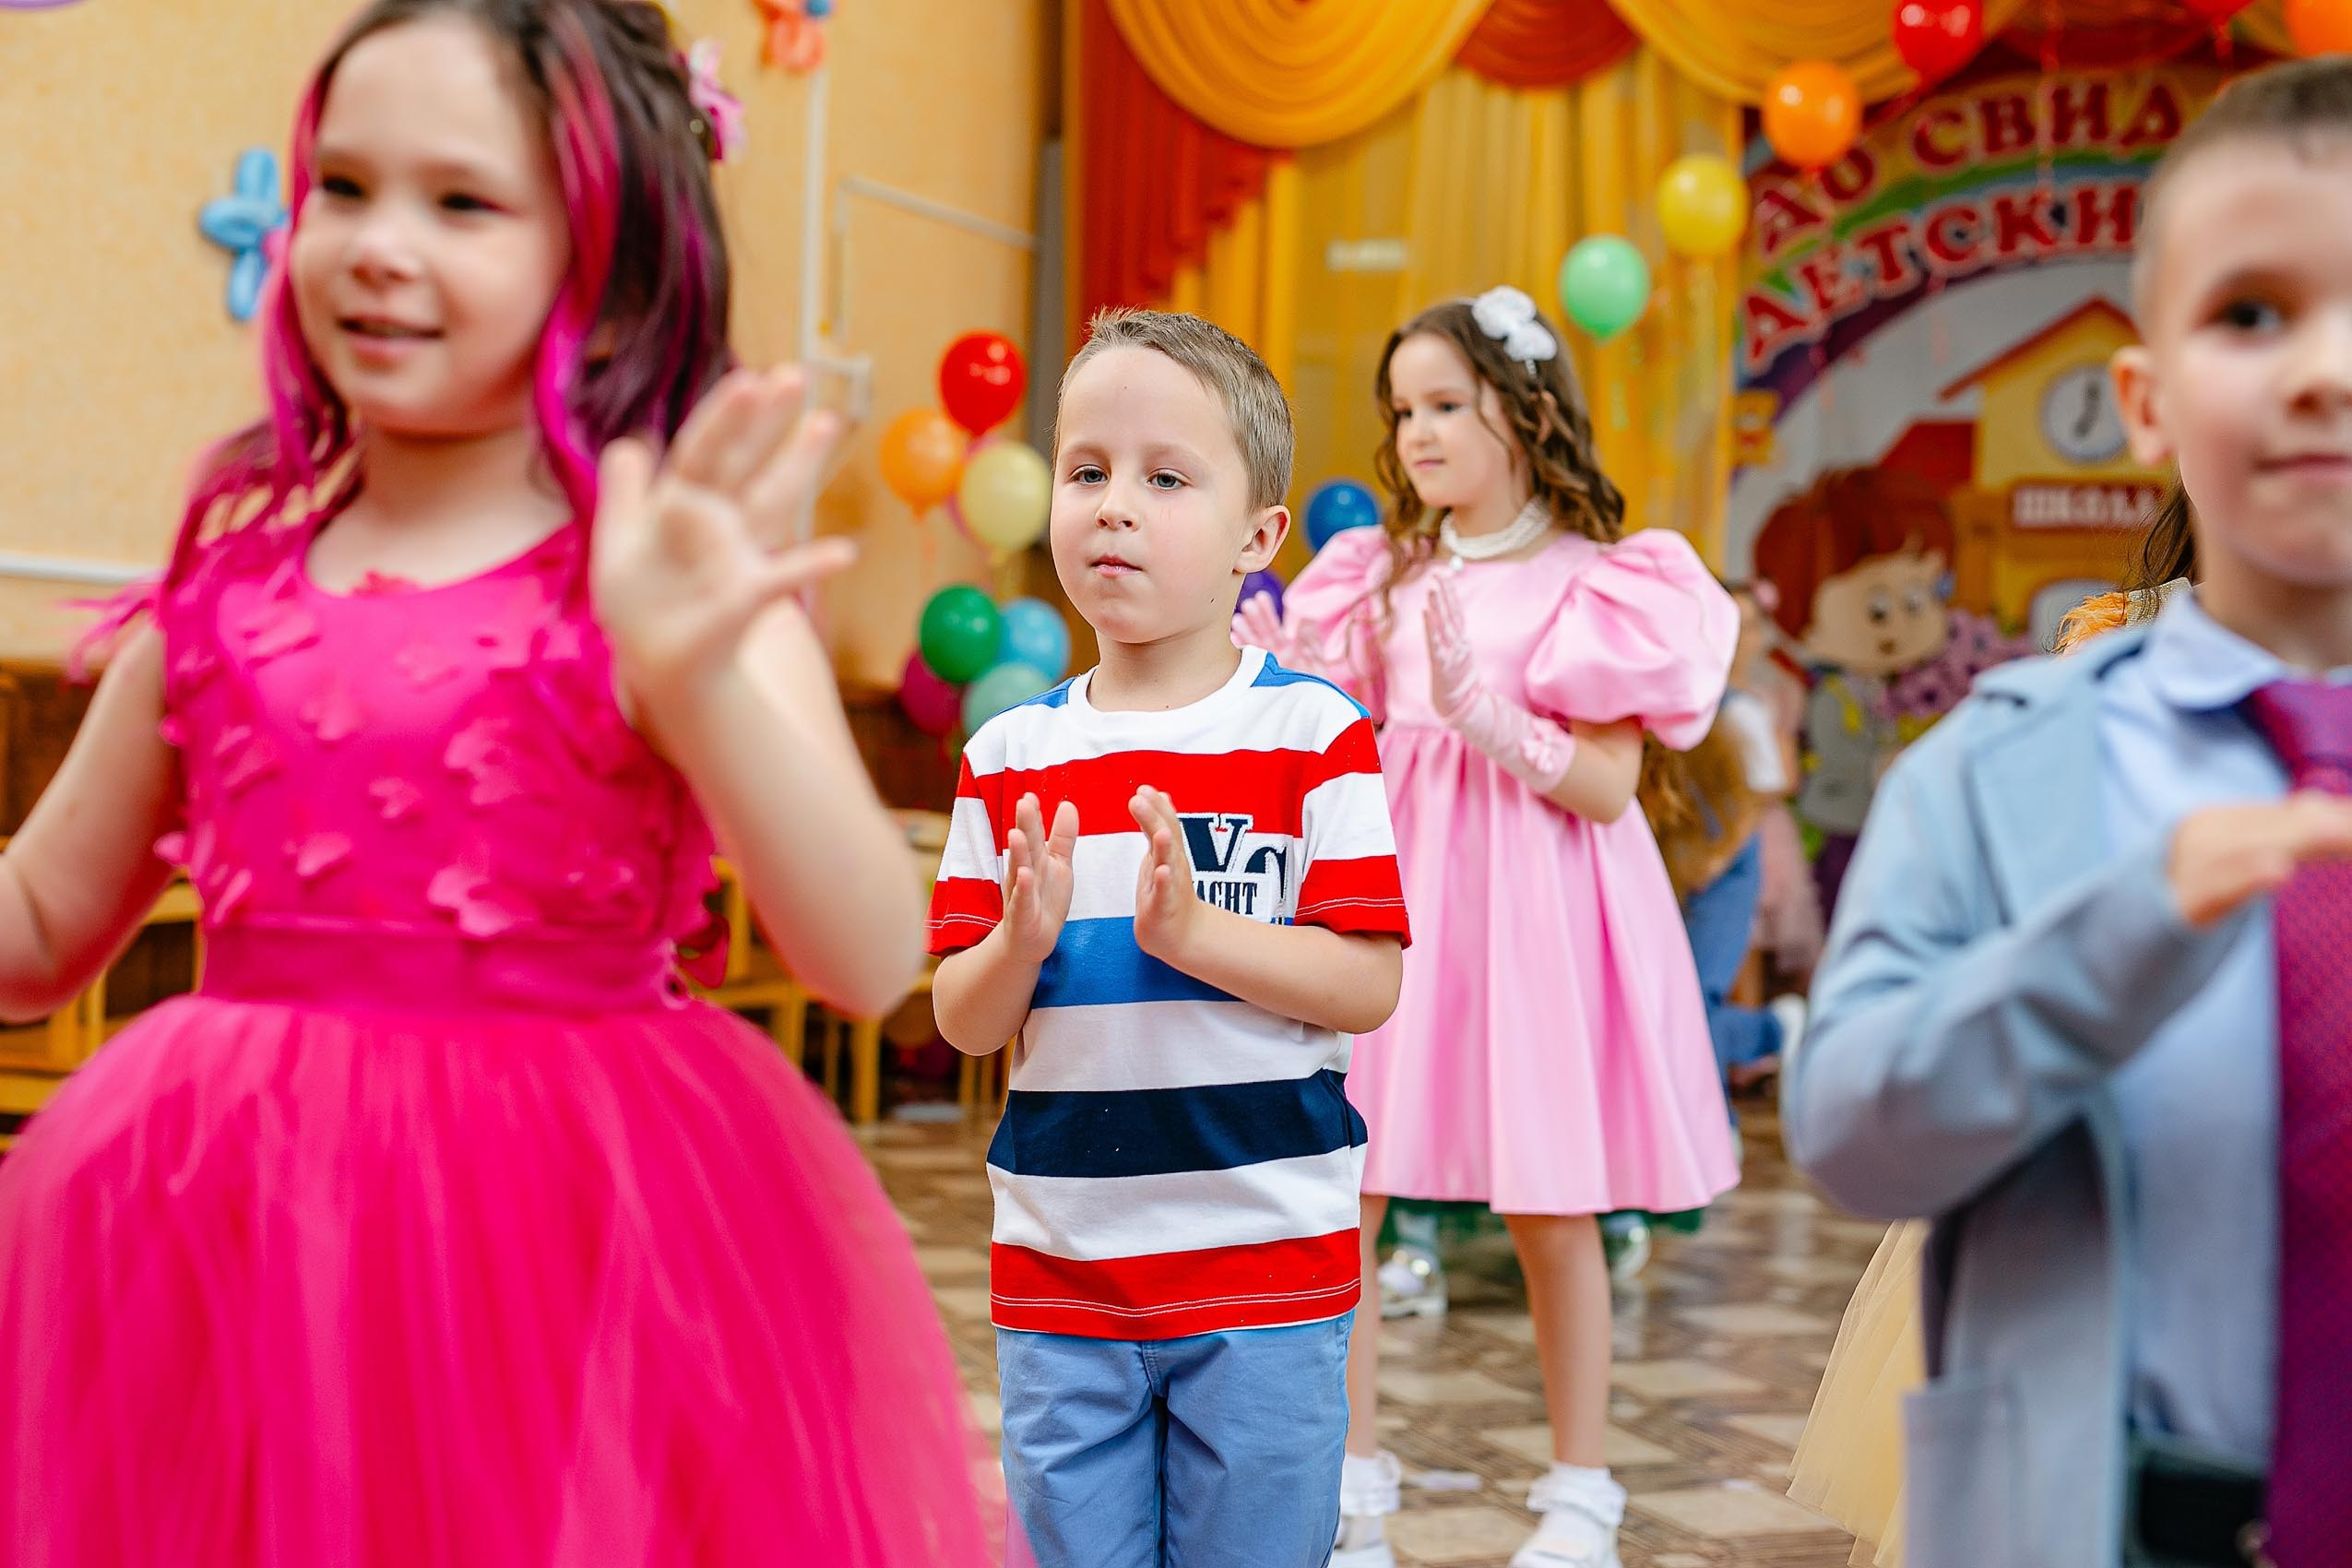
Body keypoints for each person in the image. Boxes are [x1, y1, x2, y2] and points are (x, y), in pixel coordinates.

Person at [0, 6, 994, 1562]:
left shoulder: (668, 584)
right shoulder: (222, 591)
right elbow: (41, 924)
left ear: (607, 262)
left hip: (570, 1259)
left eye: (461, 203)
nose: (380, 245)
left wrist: (695, 675)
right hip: (229, 1244)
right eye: (343, 186)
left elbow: (872, 957)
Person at [1784, 57, 2352, 1568]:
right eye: (2252, 313)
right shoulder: (1996, 769)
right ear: (2145, 403)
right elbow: (1848, 1136)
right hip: (2103, 1517)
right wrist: (2118, 929)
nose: (2322, 371)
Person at [1247, 286, 1738, 1568]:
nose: (1415, 432)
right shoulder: (1375, 577)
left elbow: (1610, 786)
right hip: (1392, 902)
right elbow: (1337, 747)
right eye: (1401, 409)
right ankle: (1347, 1475)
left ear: (1521, 411)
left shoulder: (1604, 583)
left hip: (1535, 908)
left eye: (1444, 405)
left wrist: (1491, 718)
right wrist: (1285, 683)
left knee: (1548, 1204)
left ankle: (1581, 1491)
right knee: (1342, 1185)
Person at [928, 308, 1411, 1568]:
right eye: (1086, 471)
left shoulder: (1314, 736)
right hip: (1062, 1275)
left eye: (1164, 477)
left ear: (1258, 537)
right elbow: (962, 1017)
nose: (1113, 507)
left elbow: (1366, 982)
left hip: (1265, 1272)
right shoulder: (1008, 755)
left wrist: (1200, 932)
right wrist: (1016, 947)